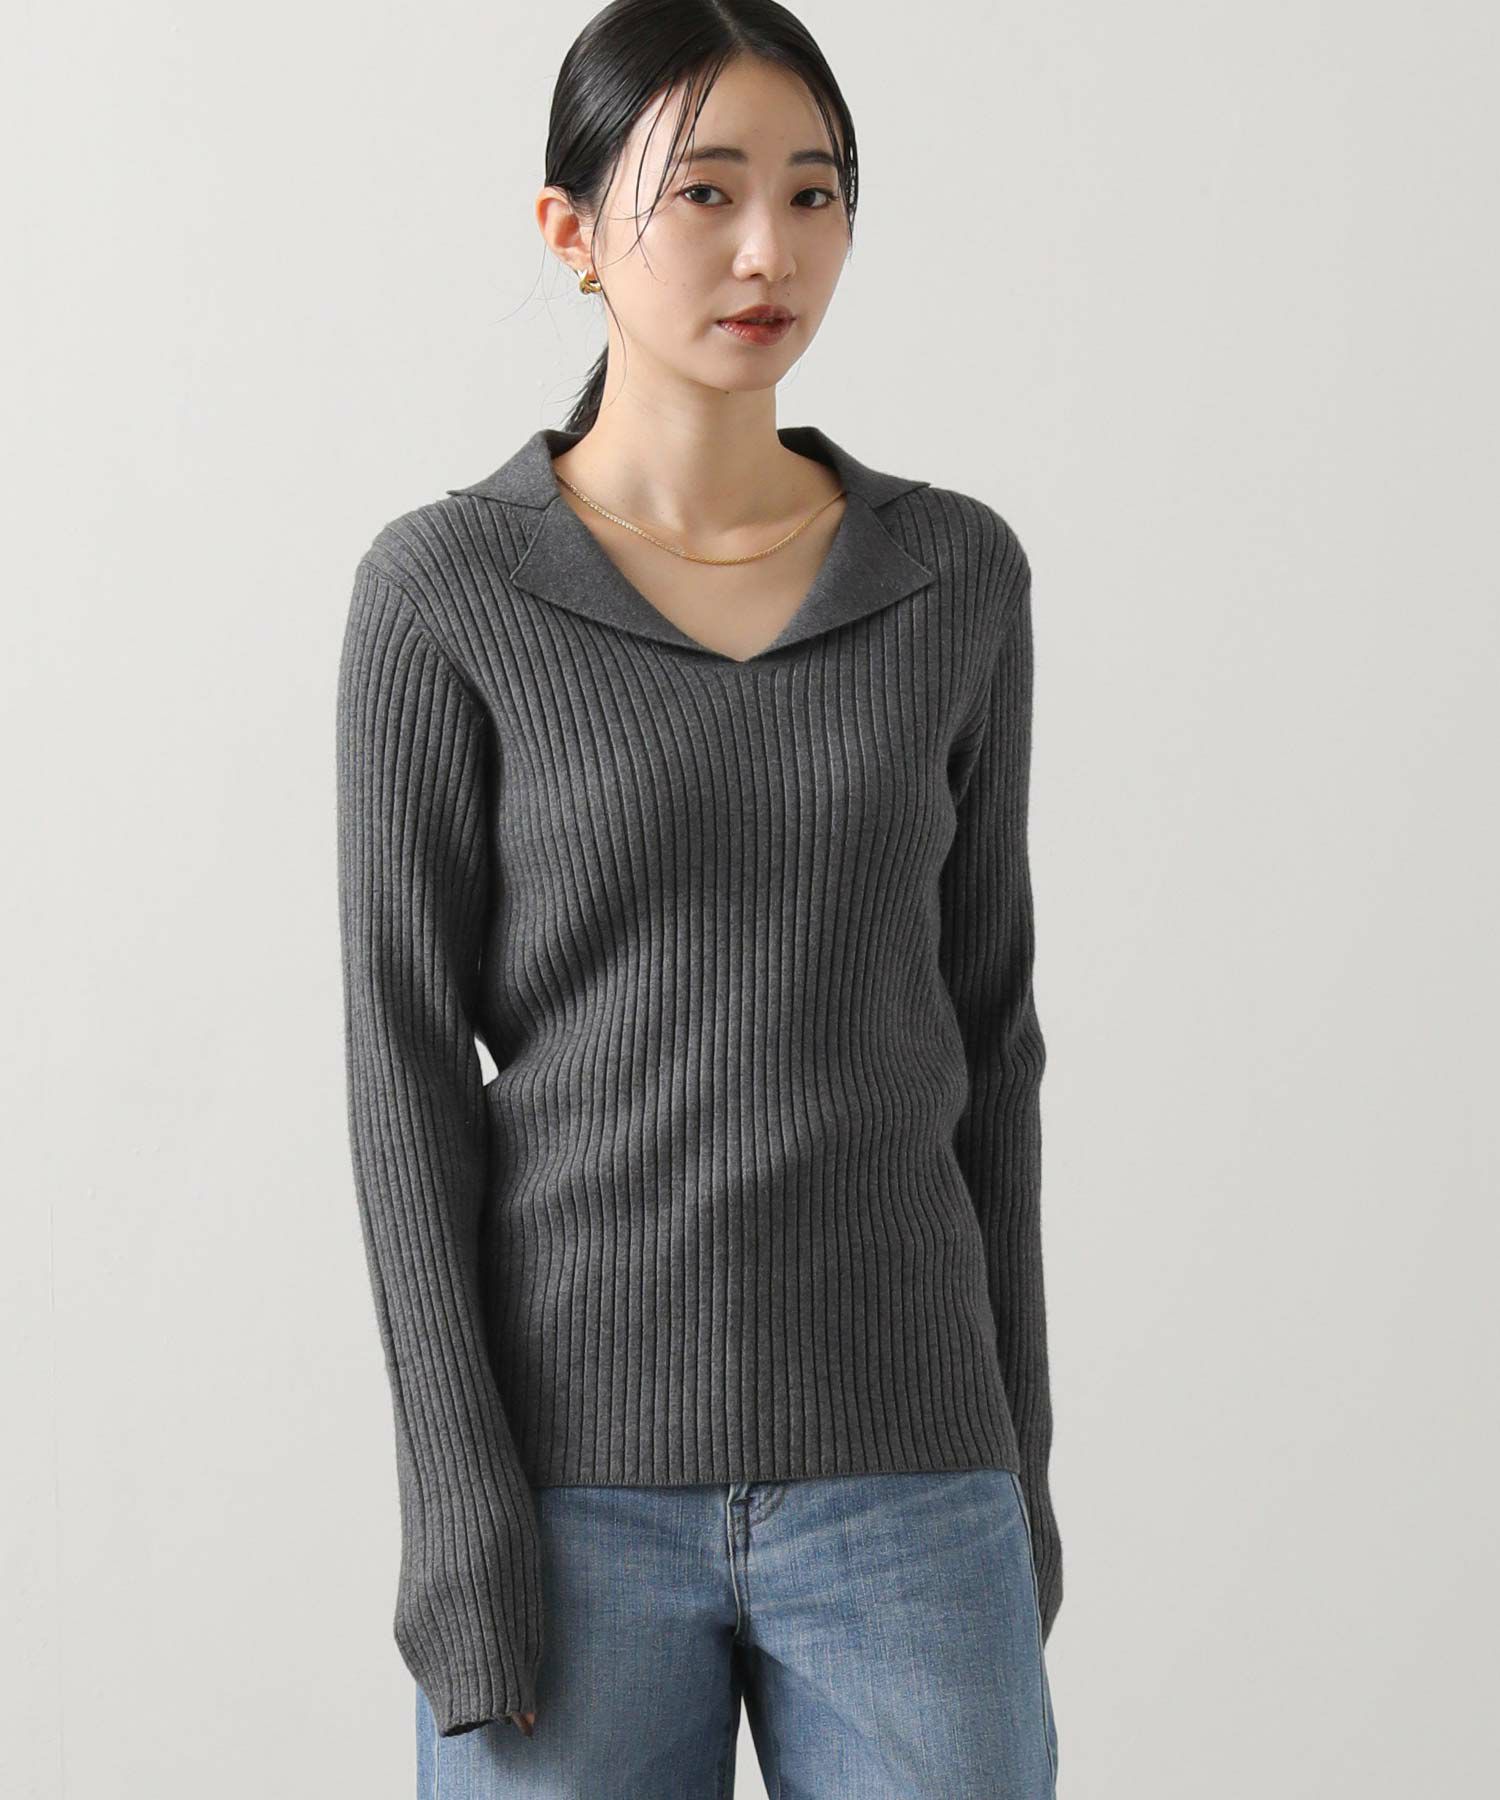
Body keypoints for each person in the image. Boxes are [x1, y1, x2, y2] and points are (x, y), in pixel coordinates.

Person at [335, 2, 1063, 1793]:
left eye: (815, 193)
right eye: (707, 192)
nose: (769, 252)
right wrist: (459, 1518)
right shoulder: (444, 594)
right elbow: (405, 1083)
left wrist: (1017, 1474)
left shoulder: (952, 575)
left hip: (913, 1481)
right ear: (570, 228)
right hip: (565, 1500)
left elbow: (993, 1043)